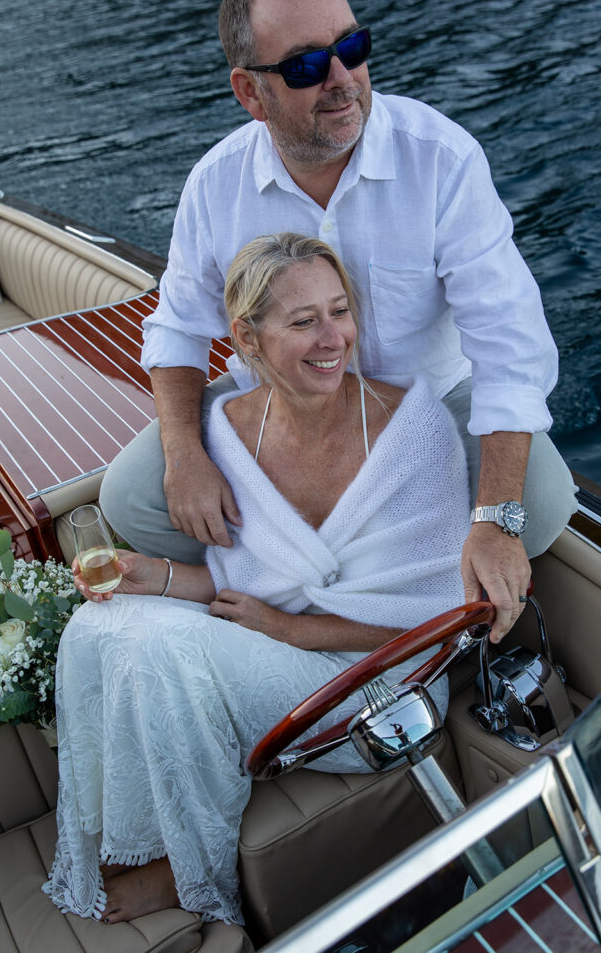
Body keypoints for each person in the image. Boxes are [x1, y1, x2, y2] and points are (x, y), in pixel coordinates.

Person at [100, 0, 577, 644]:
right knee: (133, 498)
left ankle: (299, 593)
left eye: (351, 48)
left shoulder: (440, 159)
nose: (341, 80)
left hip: (430, 399)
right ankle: (341, 590)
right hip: (280, 406)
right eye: (303, 67)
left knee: (538, 501)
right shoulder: (214, 184)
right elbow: (175, 330)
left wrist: (495, 520)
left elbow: (510, 343)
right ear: (248, 91)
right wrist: (186, 456)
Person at [44, 233, 472, 925]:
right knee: (98, 622)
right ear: (247, 336)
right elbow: (242, 590)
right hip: (281, 656)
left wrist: (291, 629)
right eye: (304, 321)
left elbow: (441, 614)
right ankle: (148, 833)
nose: (333, 338)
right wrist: (148, 575)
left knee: (168, 652)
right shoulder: (231, 429)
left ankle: (192, 874)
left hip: (385, 686)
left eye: (340, 311)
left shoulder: (412, 431)